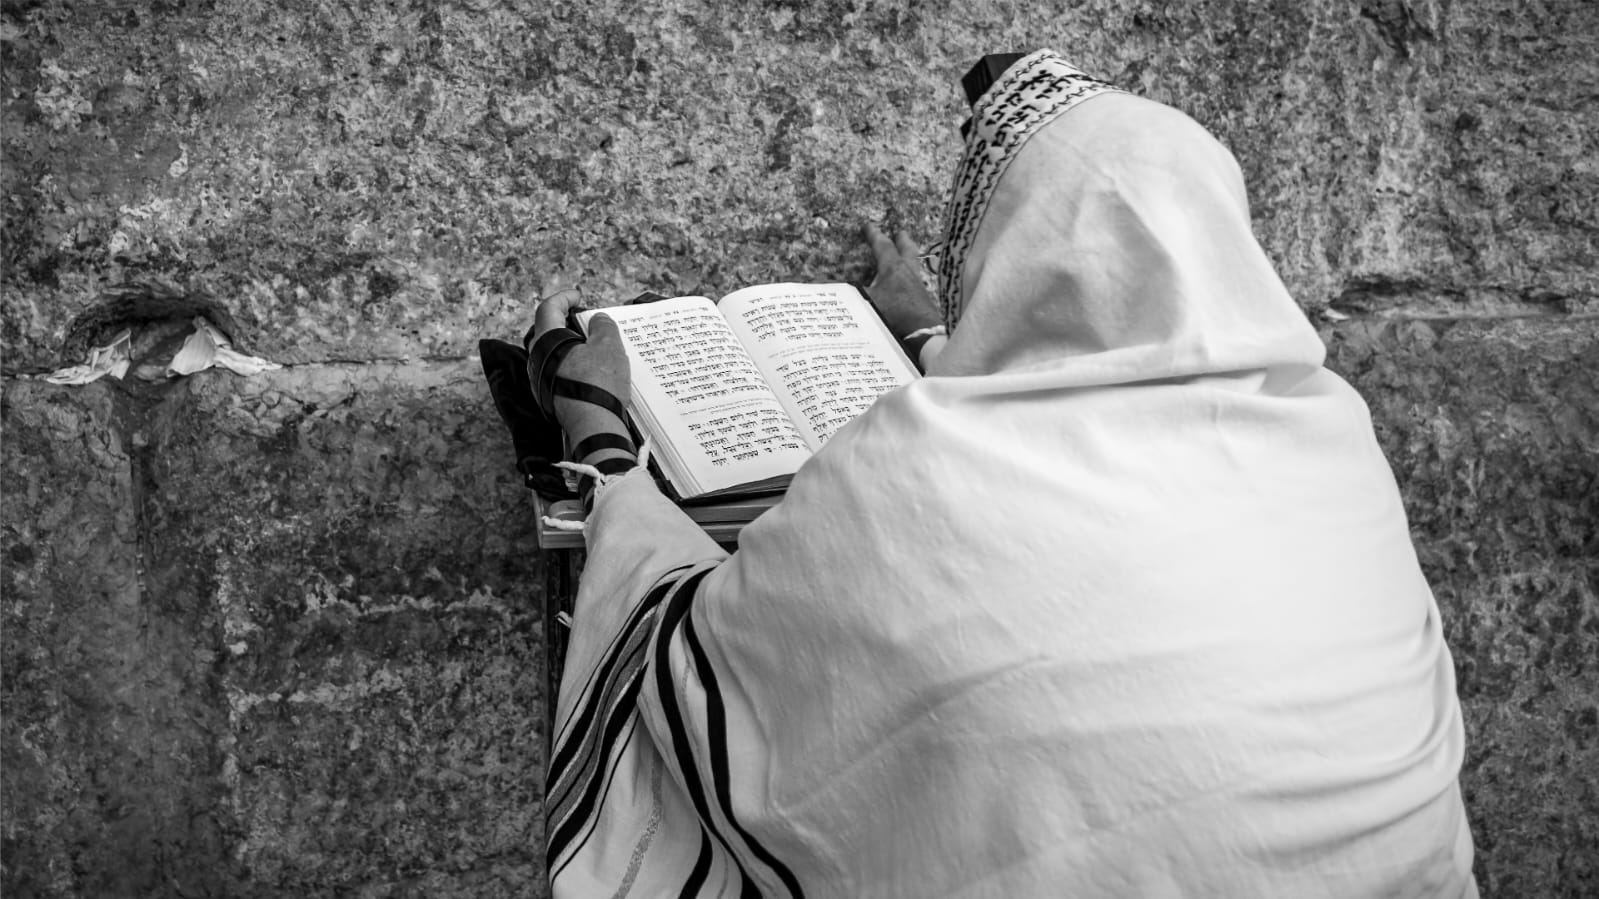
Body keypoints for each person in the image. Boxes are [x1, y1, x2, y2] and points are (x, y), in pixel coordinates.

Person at [526, 49, 1478, 898]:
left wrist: (605, 443)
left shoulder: (923, 474)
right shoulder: (1323, 433)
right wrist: (931, 337)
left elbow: (691, 671)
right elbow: (1105, 353)